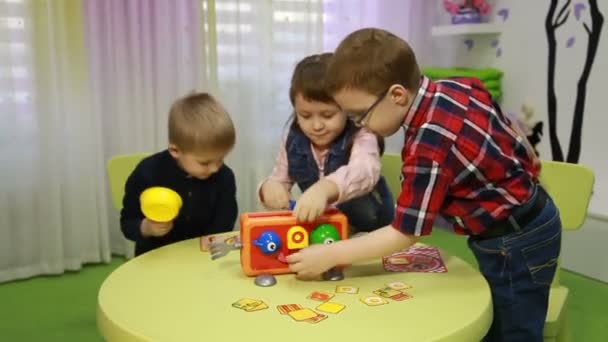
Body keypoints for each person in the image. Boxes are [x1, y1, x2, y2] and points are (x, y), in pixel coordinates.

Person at [286, 28, 561, 342]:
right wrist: (528, 165)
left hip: (514, 238)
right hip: (527, 216)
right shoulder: (458, 86)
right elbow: (511, 129)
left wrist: (331, 255)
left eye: (361, 115)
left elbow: (405, 232)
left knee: (514, 330)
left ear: (397, 95)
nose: (359, 124)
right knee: (504, 314)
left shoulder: (428, 146)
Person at [259, 53, 394, 234]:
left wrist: (324, 190)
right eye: (305, 115)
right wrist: (270, 188)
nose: (316, 126)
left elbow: (364, 171)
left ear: (346, 108)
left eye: (327, 115)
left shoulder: (362, 133)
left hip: (373, 232)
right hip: (326, 232)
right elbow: (280, 178)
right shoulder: (293, 140)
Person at [120, 92, 238, 256]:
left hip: (201, 259)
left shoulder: (224, 177)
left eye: (220, 159)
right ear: (175, 150)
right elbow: (127, 223)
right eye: (204, 163)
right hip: (155, 258)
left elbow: (225, 223)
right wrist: (146, 227)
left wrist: (214, 240)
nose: (214, 169)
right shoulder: (148, 172)